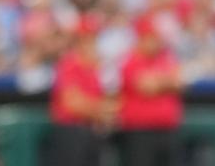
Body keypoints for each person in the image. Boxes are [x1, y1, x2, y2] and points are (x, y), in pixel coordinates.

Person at [114, 16, 184, 166]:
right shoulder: (130, 60)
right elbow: (146, 86)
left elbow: (179, 82)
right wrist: (167, 80)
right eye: (151, 38)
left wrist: (159, 80)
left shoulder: (165, 57)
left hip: (167, 129)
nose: (155, 42)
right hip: (140, 131)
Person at [45, 18, 110, 166]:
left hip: (91, 130)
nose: (93, 44)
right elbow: (73, 104)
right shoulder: (69, 64)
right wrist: (101, 109)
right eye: (88, 39)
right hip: (71, 131)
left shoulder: (95, 68)